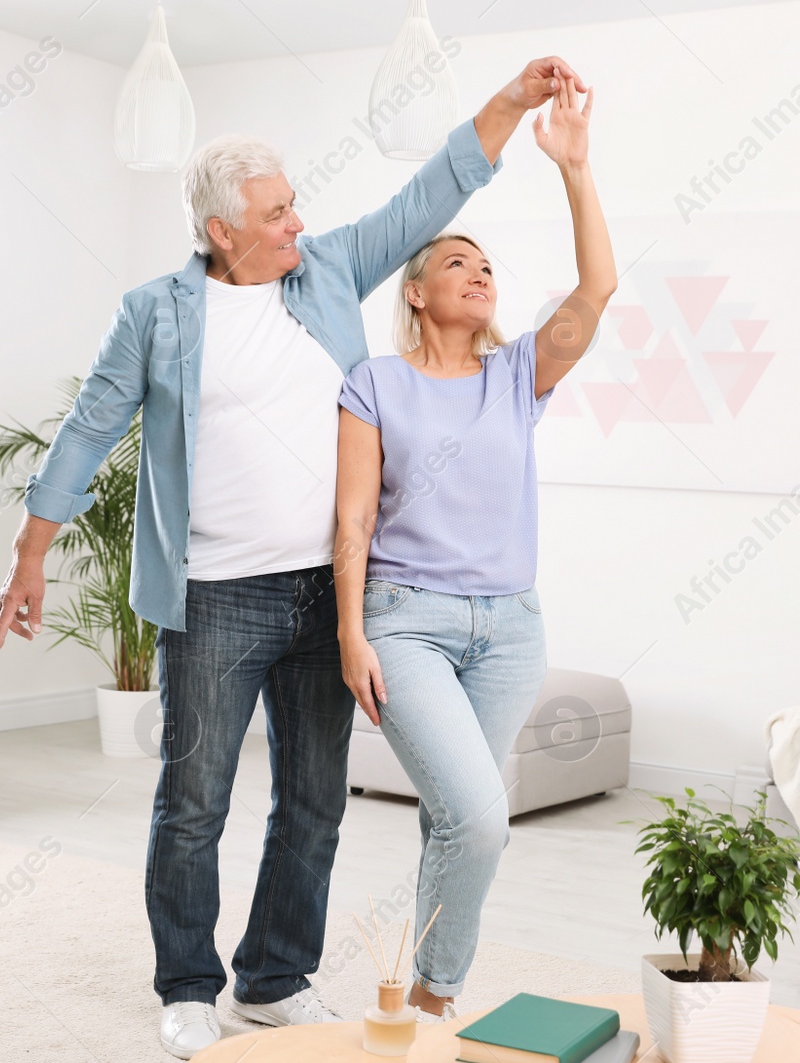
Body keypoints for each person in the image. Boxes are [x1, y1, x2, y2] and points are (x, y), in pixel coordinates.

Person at [0, 58, 588, 1059]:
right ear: (222, 231)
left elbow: (429, 192)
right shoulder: (156, 313)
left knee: (313, 797)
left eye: (294, 203)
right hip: (214, 596)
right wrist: (29, 555)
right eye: (275, 213)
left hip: (329, 592)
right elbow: (89, 431)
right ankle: (187, 982)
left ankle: (275, 976)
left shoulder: (330, 271)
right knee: (194, 798)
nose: (296, 222)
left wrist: (514, 103)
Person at [334, 69, 613, 1021]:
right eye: (455, 262)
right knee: (482, 817)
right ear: (414, 293)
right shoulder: (374, 381)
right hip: (405, 625)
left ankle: (408, 1003)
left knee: (454, 824)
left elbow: (599, 286)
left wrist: (573, 167)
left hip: (511, 630)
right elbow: (353, 522)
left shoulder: (518, 374)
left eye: (485, 264)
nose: (478, 272)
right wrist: (349, 636)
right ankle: (434, 996)